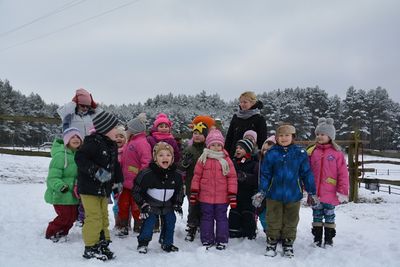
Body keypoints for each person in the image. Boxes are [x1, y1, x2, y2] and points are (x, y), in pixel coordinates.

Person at [259, 124, 316, 258]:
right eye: (281, 136)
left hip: (293, 193)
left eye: (287, 135)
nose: (284, 138)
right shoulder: (272, 153)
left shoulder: (300, 153)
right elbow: (265, 174)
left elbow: (306, 173)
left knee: (291, 220)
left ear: (293, 137)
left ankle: (288, 243)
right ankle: (271, 242)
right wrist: (262, 190)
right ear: (277, 137)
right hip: (274, 193)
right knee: (273, 219)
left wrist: (312, 191)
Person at [75, 110, 123, 261]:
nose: (118, 130)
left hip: (103, 189)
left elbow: (115, 166)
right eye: (115, 127)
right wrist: (97, 171)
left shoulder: (112, 145)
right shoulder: (92, 142)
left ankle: (103, 243)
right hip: (89, 189)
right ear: (105, 129)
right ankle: (90, 247)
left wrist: (117, 182)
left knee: (103, 216)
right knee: (94, 217)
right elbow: (80, 158)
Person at [132, 142, 184, 254]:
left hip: (168, 204)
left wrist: (178, 203)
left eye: (168, 155)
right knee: (149, 222)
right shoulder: (147, 174)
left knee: (170, 220)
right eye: (161, 155)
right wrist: (143, 204)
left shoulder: (176, 175)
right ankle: (143, 243)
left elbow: (179, 190)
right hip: (151, 204)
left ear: (172, 158)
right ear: (155, 158)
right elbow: (137, 190)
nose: (165, 157)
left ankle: (166, 242)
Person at [190, 129, 238, 250]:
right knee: (206, 218)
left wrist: (232, 194)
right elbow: (196, 176)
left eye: (218, 145)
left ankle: (222, 239)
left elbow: (232, 178)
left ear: (222, 146)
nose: (216, 147)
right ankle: (207, 239)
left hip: (222, 198)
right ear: (208, 145)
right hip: (205, 196)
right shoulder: (203, 159)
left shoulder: (226, 160)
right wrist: (194, 191)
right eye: (213, 144)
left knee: (221, 218)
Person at [307, 118, 349, 247]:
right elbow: (306, 171)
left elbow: (343, 173)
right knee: (317, 215)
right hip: (314, 192)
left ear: (330, 136)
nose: (319, 137)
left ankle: (329, 239)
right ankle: (317, 239)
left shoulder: (337, 153)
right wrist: (306, 186)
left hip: (330, 192)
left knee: (330, 215)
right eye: (318, 134)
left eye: (322, 134)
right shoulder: (311, 151)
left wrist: (342, 191)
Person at [44, 127, 83, 242]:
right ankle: (51, 233)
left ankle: (62, 233)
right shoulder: (60, 156)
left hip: (73, 194)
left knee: (72, 216)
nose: (76, 139)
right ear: (66, 140)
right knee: (64, 216)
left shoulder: (79, 155)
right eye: (72, 137)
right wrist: (60, 186)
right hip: (61, 193)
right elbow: (52, 177)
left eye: (78, 137)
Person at [117, 113, 152, 237]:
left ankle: (139, 225)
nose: (126, 131)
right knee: (123, 205)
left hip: (137, 184)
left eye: (127, 129)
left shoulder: (142, 143)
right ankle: (123, 225)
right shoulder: (130, 142)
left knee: (136, 206)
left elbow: (146, 161)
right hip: (126, 183)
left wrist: (141, 178)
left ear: (134, 130)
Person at [179, 117, 214, 241]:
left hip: (206, 184)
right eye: (195, 133)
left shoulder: (210, 150)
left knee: (204, 206)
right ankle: (192, 226)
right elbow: (181, 167)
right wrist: (185, 163)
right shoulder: (189, 149)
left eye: (200, 134)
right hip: (191, 183)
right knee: (193, 205)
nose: (197, 136)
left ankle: (203, 225)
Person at [228, 139, 259, 240]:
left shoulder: (253, 164)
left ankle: (249, 232)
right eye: (237, 148)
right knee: (234, 212)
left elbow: (256, 179)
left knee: (248, 214)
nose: (238, 150)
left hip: (248, 195)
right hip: (236, 194)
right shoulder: (233, 162)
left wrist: (246, 177)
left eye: (241, 148)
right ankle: (234, 230)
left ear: (248, 150)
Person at [225, 91, 267, 158]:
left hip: (250, 157)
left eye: (245, 102)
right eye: (241, 102)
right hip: (234, 154)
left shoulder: (259, 119)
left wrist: (261, 155)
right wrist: (226, 153)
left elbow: (262, 140)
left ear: (252, 103)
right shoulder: (236, 117)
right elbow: (229, 137)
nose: (242, 104)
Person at [253, 135, 276, 234]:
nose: (266, 152)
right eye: (264, 149)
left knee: (274, 214)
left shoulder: (278, 163)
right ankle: (267, 230)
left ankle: (275, 231)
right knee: (262, 213)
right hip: (261, 192)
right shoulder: (258, 161)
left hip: (274, 193)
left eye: (269, 150)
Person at [112, 125, 127, 230]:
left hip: (126, 181)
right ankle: (118, 222)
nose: (118, 139)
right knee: (117, 202)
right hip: (113, 182)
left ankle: (125, 223)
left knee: (125, 203)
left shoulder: (127, 151)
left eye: (121, 136)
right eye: (116, 136)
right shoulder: (110, 151)